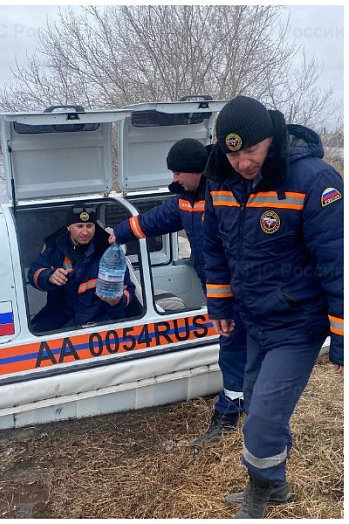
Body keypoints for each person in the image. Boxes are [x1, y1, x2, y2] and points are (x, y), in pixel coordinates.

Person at [202, 95, 343, 518]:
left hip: (298, 323)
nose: (242, 163)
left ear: (272, 140)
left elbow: (337, 264)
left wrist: (342, 341)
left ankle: (262, 494)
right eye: (232, 153)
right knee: (260, 406)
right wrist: (221, 306)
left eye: (251, 151)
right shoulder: (221, 182)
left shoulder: (314, 180)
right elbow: (214, 248)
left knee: (262, 416)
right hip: (252, 318)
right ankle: (274, 482)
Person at [108, 138, 247, 445]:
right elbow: (157, 219)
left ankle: (230, 412)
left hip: (238, 286)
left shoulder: (224, 194)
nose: (174, 179)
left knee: (233, 344)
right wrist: (118, 234)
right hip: (217, 285)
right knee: (236, 343)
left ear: (197, 171)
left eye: (179, 173)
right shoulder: (186, 199)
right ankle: (243, 401)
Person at [28, 205, 137, 332]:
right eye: (79, 226)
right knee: (34, 333)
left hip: (101, 317)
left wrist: (117, 301)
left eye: (89, 226)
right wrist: (49, 276)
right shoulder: (55, 246)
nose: (85, 232)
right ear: (68, 227)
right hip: (63, 312)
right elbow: (33, 273)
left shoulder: (108, 250)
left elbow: (129, 289)